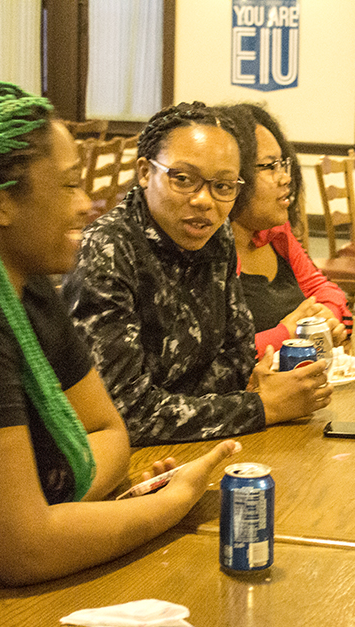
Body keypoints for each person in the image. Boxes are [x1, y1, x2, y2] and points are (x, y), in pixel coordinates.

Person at [0, 79, 239, 593]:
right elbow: (21, 549)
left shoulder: (29, 287)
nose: (88, 203)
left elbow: (111, 432)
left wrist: (56, 512)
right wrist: (172, 502)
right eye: (68, 185)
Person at [62, 102, 331, 448]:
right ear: (145, 172)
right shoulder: (107, 252)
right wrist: (261, 405)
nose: (204, 201)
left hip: (191, 446)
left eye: (223, 186)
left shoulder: (215, 236)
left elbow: (236, 357)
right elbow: (124, 414)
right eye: (184, 180)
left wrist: (242, 392)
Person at [217, 103, 350, 356]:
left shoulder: (275, 234)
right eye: (269, 167)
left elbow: (324, 290)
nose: (285, 178)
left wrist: (326, 318)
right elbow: (212, 359)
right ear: (232, 175)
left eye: (283, 164)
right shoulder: (206, 251)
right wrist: (287, 333)